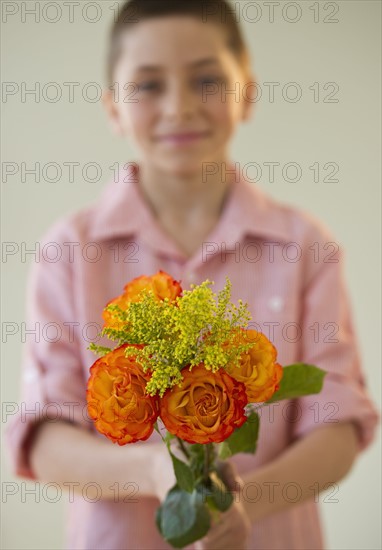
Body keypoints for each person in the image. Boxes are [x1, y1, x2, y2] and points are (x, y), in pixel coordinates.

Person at [5, 1, 379, 549]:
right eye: (149, 85)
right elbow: (45, 439)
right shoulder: (70, 250)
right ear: (113, 108)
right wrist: (158, 473)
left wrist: (240, 502)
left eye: (206, 79)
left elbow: (338, 425)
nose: (179, 107)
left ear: (246, 92)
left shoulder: (305, 246)